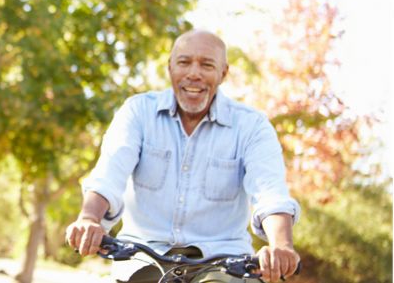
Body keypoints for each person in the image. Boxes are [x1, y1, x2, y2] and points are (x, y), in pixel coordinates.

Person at [65, 30, 301, 283]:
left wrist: (282, 245)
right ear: (170, 68)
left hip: (224, 261)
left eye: (207, 65)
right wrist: (90, 219)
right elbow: (108, 175)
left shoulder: (251, 126)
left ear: (223, 73)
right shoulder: (138, 112)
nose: (194, 73)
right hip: (142, 254)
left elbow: (270, 193)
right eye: (184, 62)